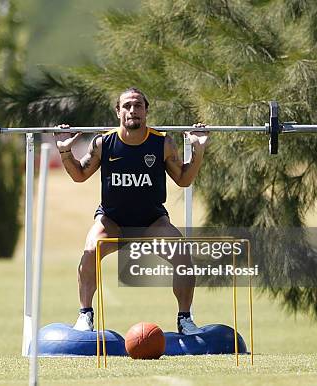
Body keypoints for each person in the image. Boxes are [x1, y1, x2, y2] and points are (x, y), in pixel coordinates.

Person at [54, 87, 209, 334]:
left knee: (182, 255)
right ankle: (85, 315)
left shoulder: (163, 143)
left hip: (152, 223)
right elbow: (79, 175)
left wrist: (198, 150)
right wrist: (64, 151)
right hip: (112, 221)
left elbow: (183, 179)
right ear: (118, 111)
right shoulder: (103, 143)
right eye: (127, 106)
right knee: (90, 249)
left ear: (146, 111)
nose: (132, 111)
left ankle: (184, 319)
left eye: (138, 106)